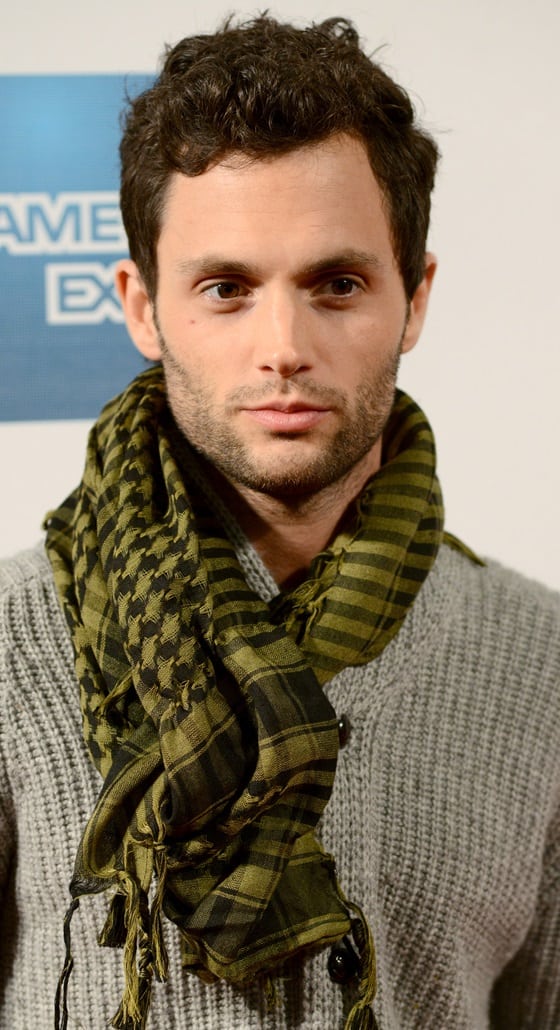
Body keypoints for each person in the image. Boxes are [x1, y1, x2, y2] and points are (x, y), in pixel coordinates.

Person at [1, 15, 559, 1030]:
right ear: (139, 305)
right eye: (225, 288)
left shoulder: (540, 660)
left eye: (335, 284)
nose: (283, 347)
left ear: (413, 298)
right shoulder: (10, 638)